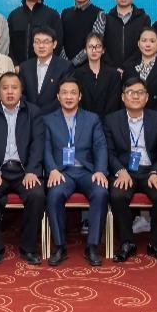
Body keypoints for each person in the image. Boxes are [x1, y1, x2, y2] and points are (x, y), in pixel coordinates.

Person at [0, 72, 46, 265]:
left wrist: (32, 171)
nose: (10, 92)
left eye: (14, 88)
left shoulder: (33, 112)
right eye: (5, 88)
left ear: (21, 90)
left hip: (24, 171)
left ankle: (28, 247)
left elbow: (37, 144)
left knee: (36, 195)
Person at [105, 78, 157, 263]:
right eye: (130, 92)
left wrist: (156, 172)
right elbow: (109, 152)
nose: (135, 96)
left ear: (147, 97)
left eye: (140, 92)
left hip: (150, 171)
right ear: (123, 97)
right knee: (118, 194)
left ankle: (156, 243)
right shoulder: (111, 120)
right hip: (125, 171)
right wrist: (120, 170)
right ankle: (127, 243)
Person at [42, 80, 110, 267]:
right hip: (62, 172)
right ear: (58, 96)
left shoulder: (92, 119)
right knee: (54, 194)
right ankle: (60, 246)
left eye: (73, 93)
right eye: (64, 93)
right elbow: (45, 149)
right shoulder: (48, 120)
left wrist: (100, 170)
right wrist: (52, 169)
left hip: (87, 171)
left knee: (101, 192)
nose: (69, 96)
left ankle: (92, 246)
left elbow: (100, 146)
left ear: (80, 96)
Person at [90, 0, 149, 72]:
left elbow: (145, 45)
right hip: (110, 71)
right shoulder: (106, 19)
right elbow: (100, 45)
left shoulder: (144, 19)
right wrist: (113, 68)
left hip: (136, 70)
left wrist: (126, 67)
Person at [8, 0, 64, 66]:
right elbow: (9, 44)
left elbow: (58, 44)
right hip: (19, 69)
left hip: (45, 68)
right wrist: (15, 65)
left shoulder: (52, 15)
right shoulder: (14, 16)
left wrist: (47, 65)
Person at [19, 26, 72, 114]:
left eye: (46, 42)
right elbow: (21, 94)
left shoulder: (65, 67)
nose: (41, 46)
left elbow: (64, 95)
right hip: (29, 116)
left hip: (55, 116)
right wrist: (32, 111)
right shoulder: (25, 67)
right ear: (33, 44)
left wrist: (42, 113)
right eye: (37, 42)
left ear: (54, 44)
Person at [73, 33, 122, 117]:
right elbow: (78, 102)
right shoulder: (77, 74)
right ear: (85, 50)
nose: (94, 50)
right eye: (90, 46)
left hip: (108, 121)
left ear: (103, 50)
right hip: (84, 121)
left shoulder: (114, 75)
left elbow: (113, 104)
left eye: (98, 46)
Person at [60, 0, 102, 65]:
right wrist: (65, 63)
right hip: (65, 66)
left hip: (88, 66)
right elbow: (60, 40)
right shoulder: (65, 13)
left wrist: (74, 63)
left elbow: (96, 43)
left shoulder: (99, 13)